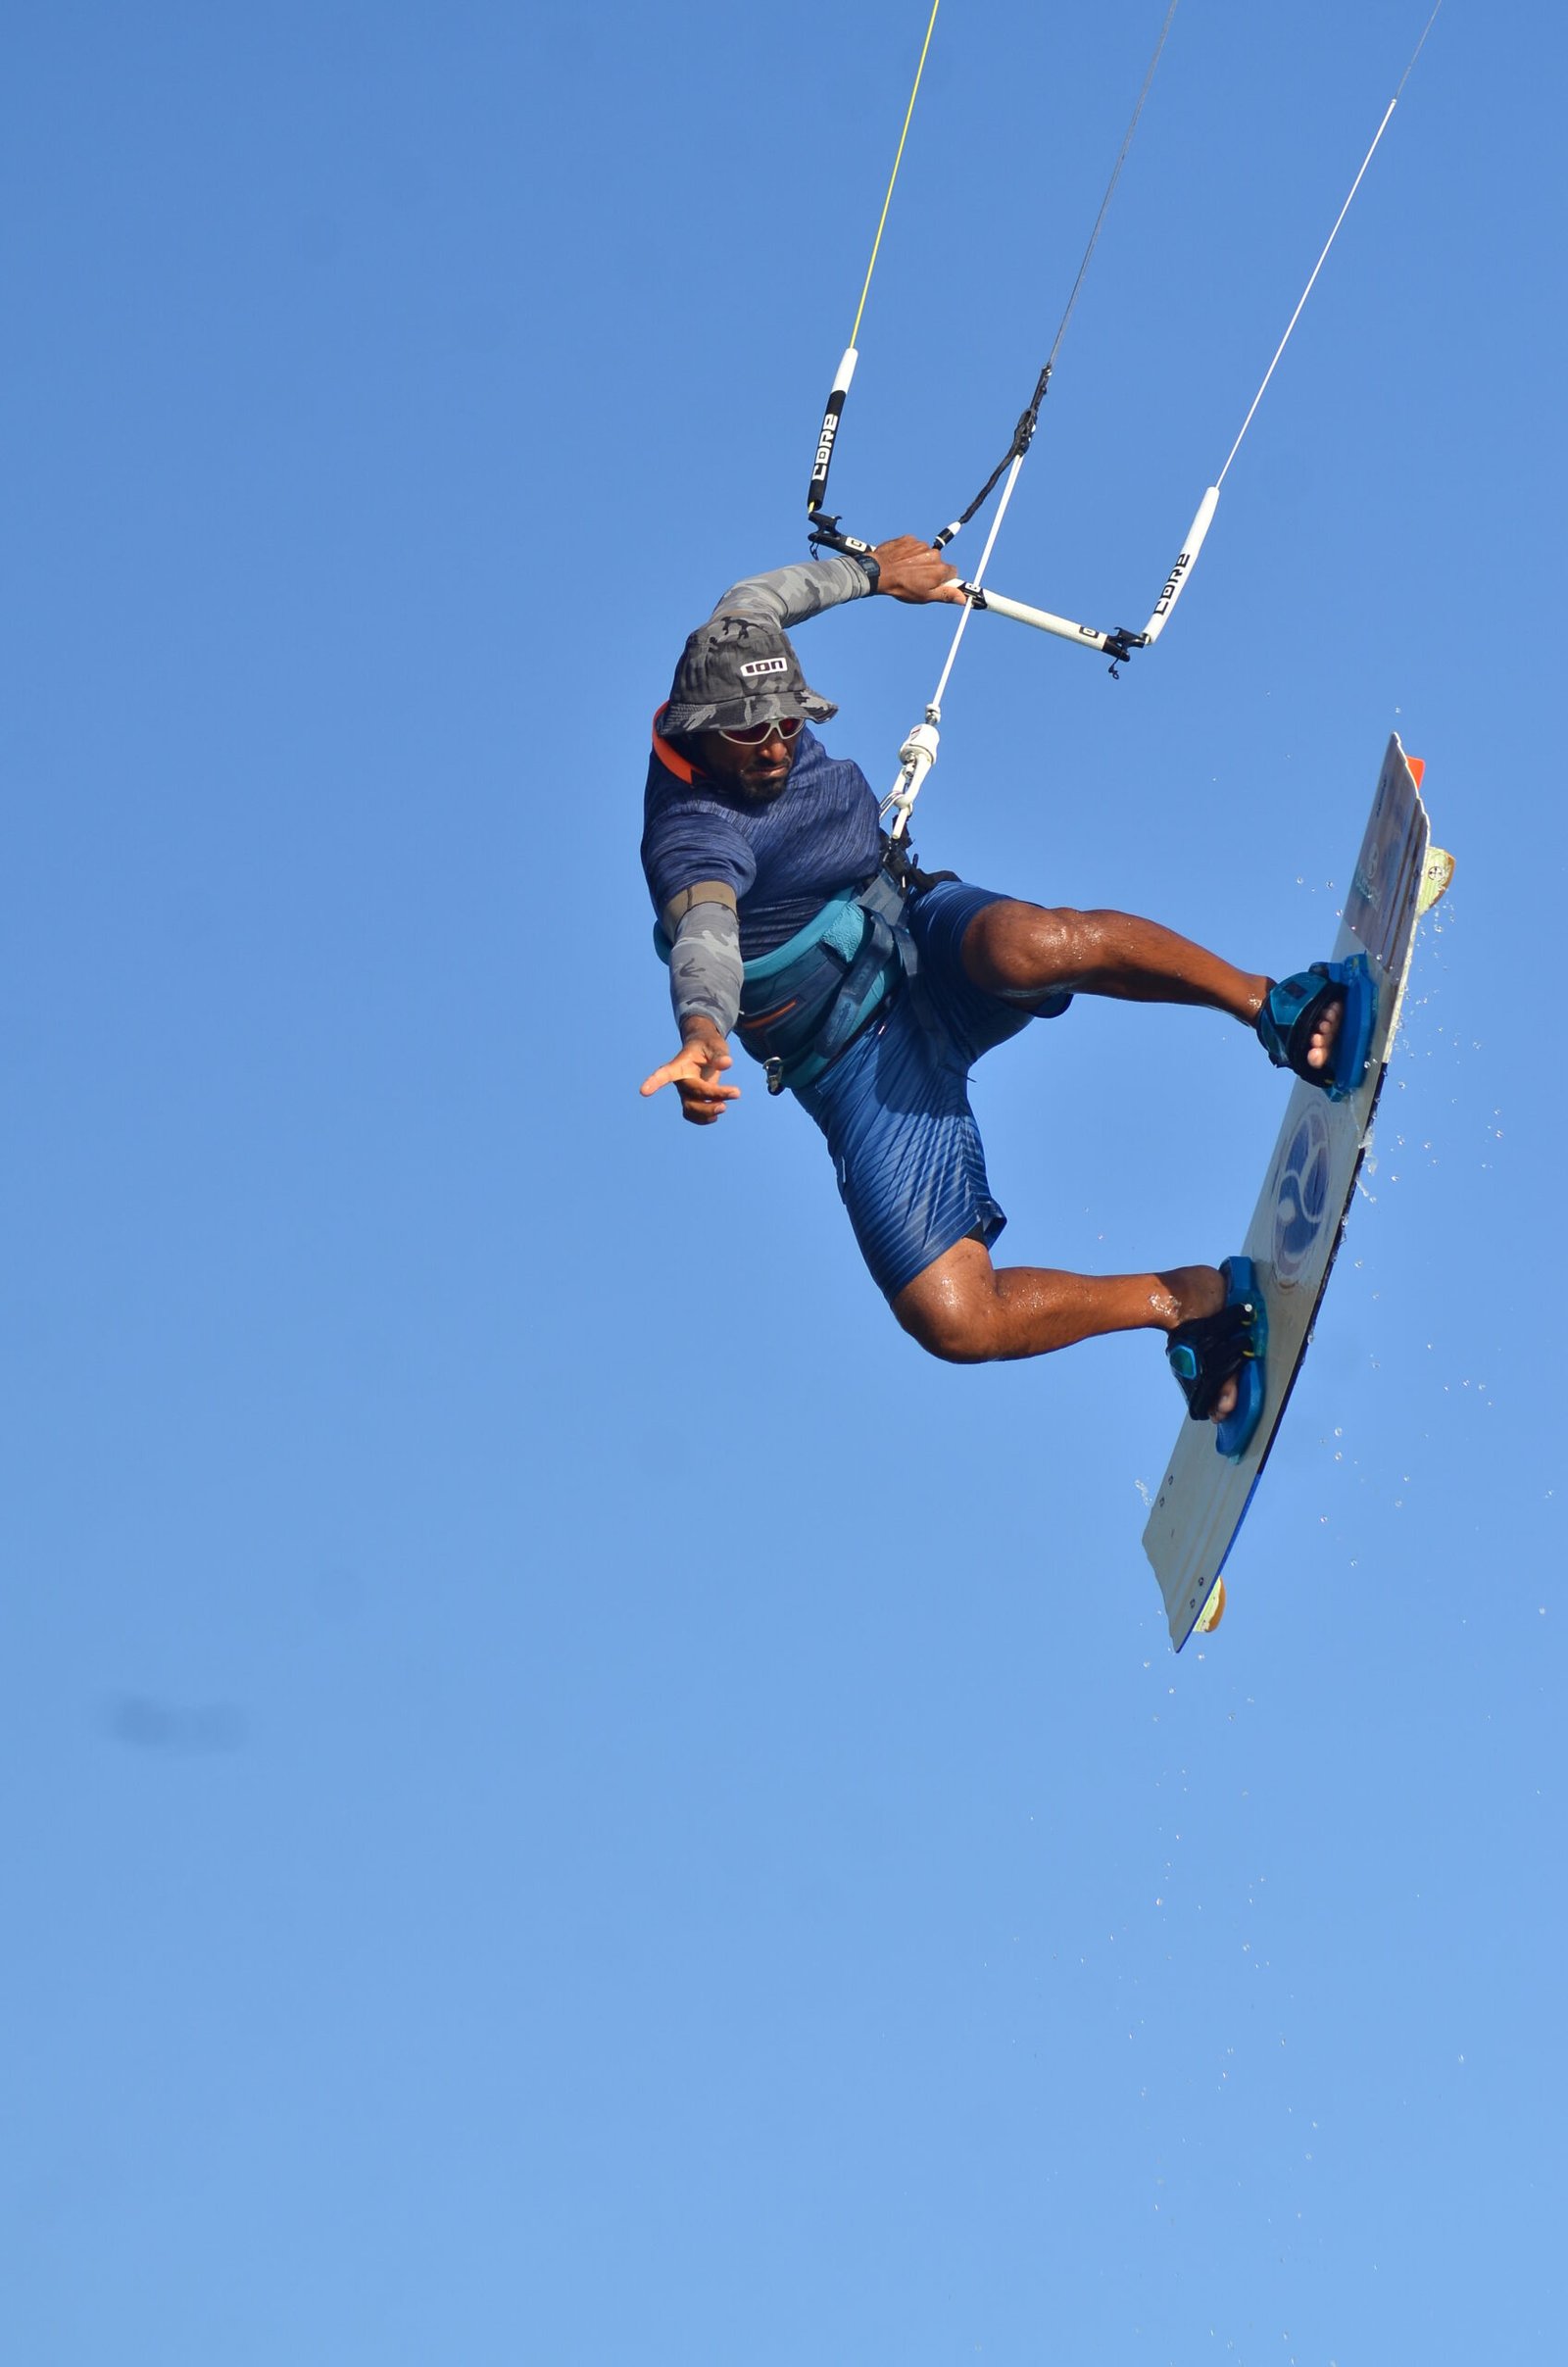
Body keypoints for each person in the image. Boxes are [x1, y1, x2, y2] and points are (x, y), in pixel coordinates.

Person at [639, 537, 1352, 1445]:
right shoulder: (691, 835)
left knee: (1034, 943)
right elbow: (704, 934)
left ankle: (1274, 1005)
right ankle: (1188, 1304)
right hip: (853, 1062)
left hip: (913, 933)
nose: (780, 746)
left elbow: (765, 591)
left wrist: (873, 574)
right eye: (754, 734)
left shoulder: (743, 643)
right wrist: (702, 1031)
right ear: (702, 725)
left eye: (790, 722)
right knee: (952, 1319)